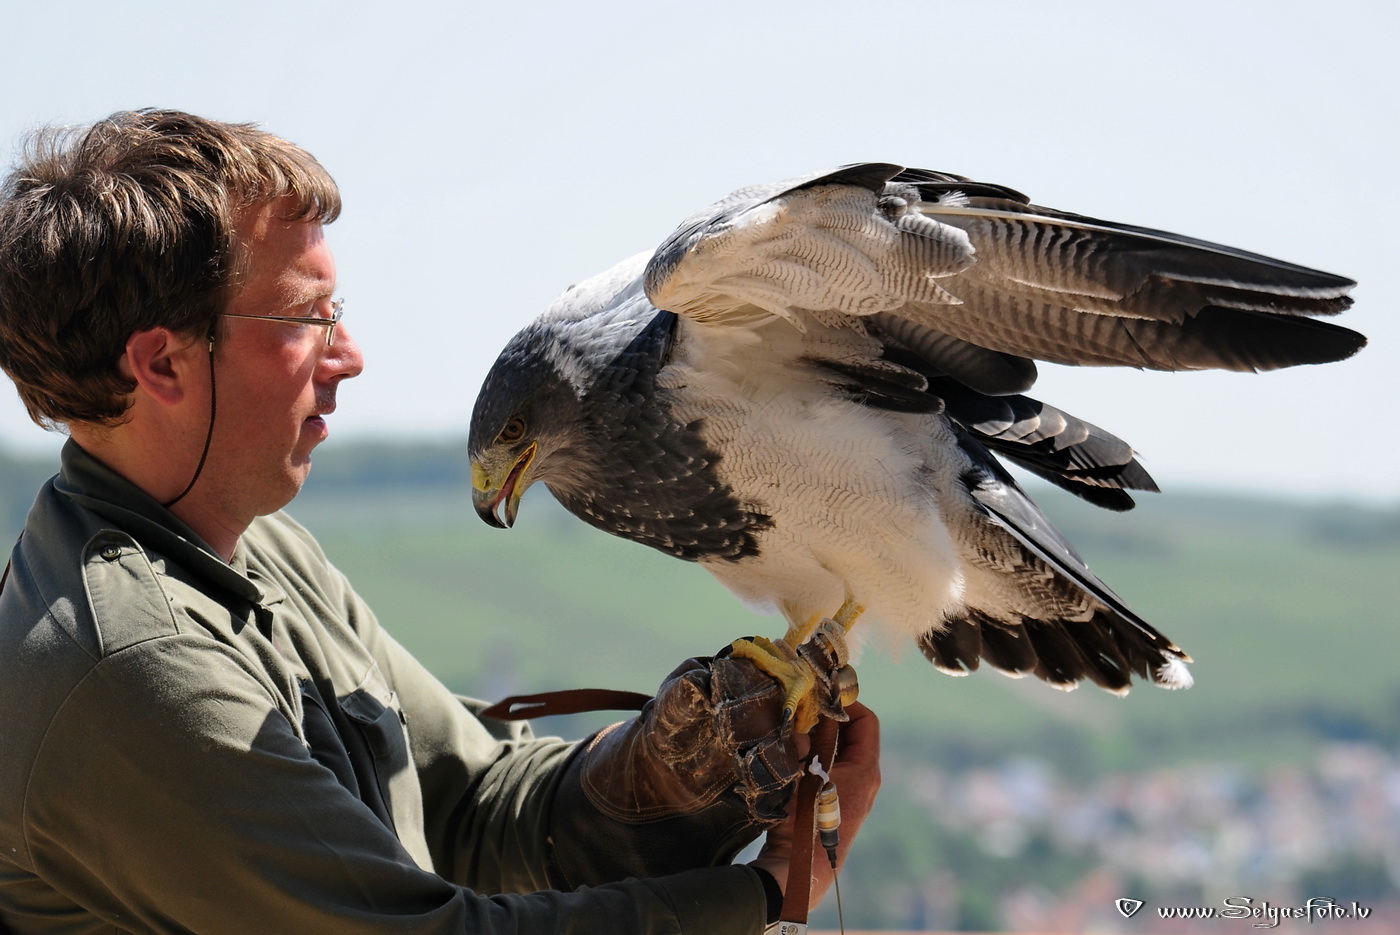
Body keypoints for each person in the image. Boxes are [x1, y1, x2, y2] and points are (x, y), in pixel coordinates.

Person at [0, 109, 880, 934]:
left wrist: (679, 771)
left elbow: (475, 805)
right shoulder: (130, 662)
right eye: (308, 317)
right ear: (163, 361)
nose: (349, 356)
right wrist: (769, 890)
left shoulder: (256, 550)